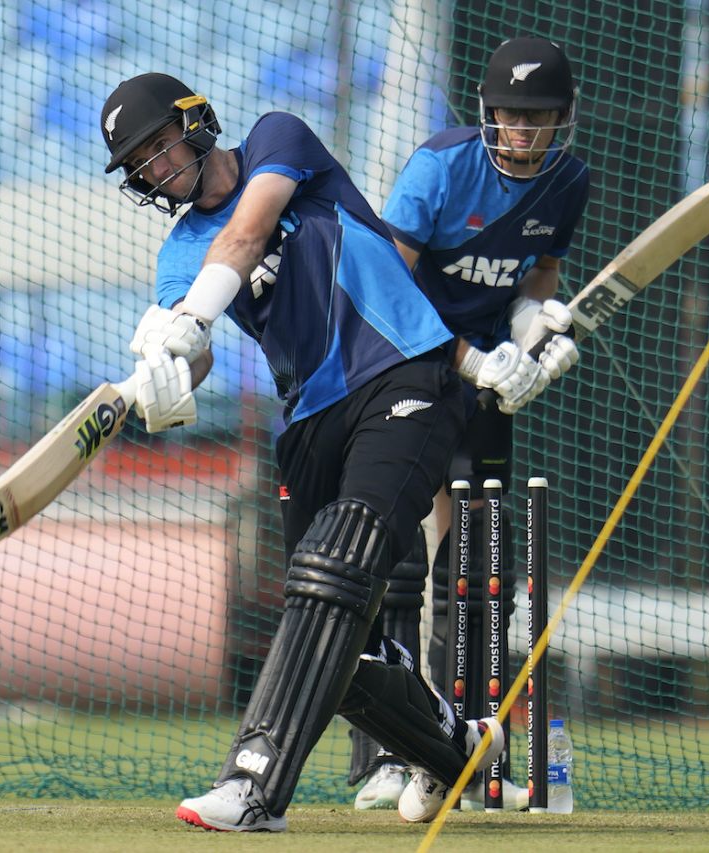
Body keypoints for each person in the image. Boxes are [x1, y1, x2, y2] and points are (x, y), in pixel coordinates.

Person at [99, 72, 546, 831]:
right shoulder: (179, 253)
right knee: (338, 646)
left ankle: (254, 784)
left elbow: (245, 236)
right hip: (308, 422)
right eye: (139, 164)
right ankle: (459, 750)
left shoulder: (278, 139)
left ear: (195, 122)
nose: (154, 168)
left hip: (403, 374)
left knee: (336, 564)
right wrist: (167, 377)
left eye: (157, 146)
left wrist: (192, 320)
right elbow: (191, 348)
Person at [346, 35, 590, 811]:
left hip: (482, 386)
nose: (523, 130)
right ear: (489, 114)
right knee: (394, 563)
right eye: (512, 115)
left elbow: (539, 272)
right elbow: (386, 290)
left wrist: (530, 330)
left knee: (474, 571)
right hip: (403, 370)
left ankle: (456, 746)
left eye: (539, 116)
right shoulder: (439, 169)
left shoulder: (567, 182)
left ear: (561, 120)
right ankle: (384, 754)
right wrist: (472, 359)